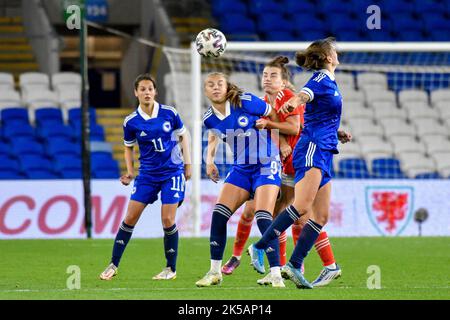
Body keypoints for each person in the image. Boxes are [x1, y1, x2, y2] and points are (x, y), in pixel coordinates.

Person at [222, 56, 342, 287]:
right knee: (280, 215)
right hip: (282, 163)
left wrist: (277, 133)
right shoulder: (261, 103)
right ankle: (282, 267)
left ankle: (294, 264)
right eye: (265, 75)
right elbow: (308, 123)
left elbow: (297, 126)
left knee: (299, 215)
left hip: (300, 160)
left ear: (284, 81)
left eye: (273, 75)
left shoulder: (286, 97)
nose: (267, 79)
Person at [248, 37, 352, 289]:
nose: (337, 53)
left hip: (325, 148)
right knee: (301, 207)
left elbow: (317, 114)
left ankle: (294, 264)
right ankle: (259, 246)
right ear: (328, 57)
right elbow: (303, 95)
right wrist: (293, 102)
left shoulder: (331, 82)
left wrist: (337, 132)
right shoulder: (321, 78)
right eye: (333, 50)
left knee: (321, 216)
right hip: (312, 149)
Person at [195, 72, 285, 288]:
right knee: (218, 215)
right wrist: (209, 160)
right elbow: (215, 134)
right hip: (241, 168)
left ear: (227, 87)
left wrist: (281, 141)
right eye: (210, 84)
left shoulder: (245, 101)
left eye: (220, 84)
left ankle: (276, 274)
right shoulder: (208, 117)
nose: (216, 87)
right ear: (205, 90)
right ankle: (215, 272)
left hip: (266, 163)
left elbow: (274, 116)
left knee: (263, 216)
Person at [99, 73, 191, 281]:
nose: (147, 92)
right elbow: (128, 148)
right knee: (130, 218)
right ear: (136, 92)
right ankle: (113, 264)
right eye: (143, 89)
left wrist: (188, 164)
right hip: (147, 175)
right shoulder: (131, 121)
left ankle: (170, 269)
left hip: (171, 173)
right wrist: (130, 172)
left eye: (150, 88)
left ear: (155, 91)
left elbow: (184, 135)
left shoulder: (169, 112)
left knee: (167, 219)